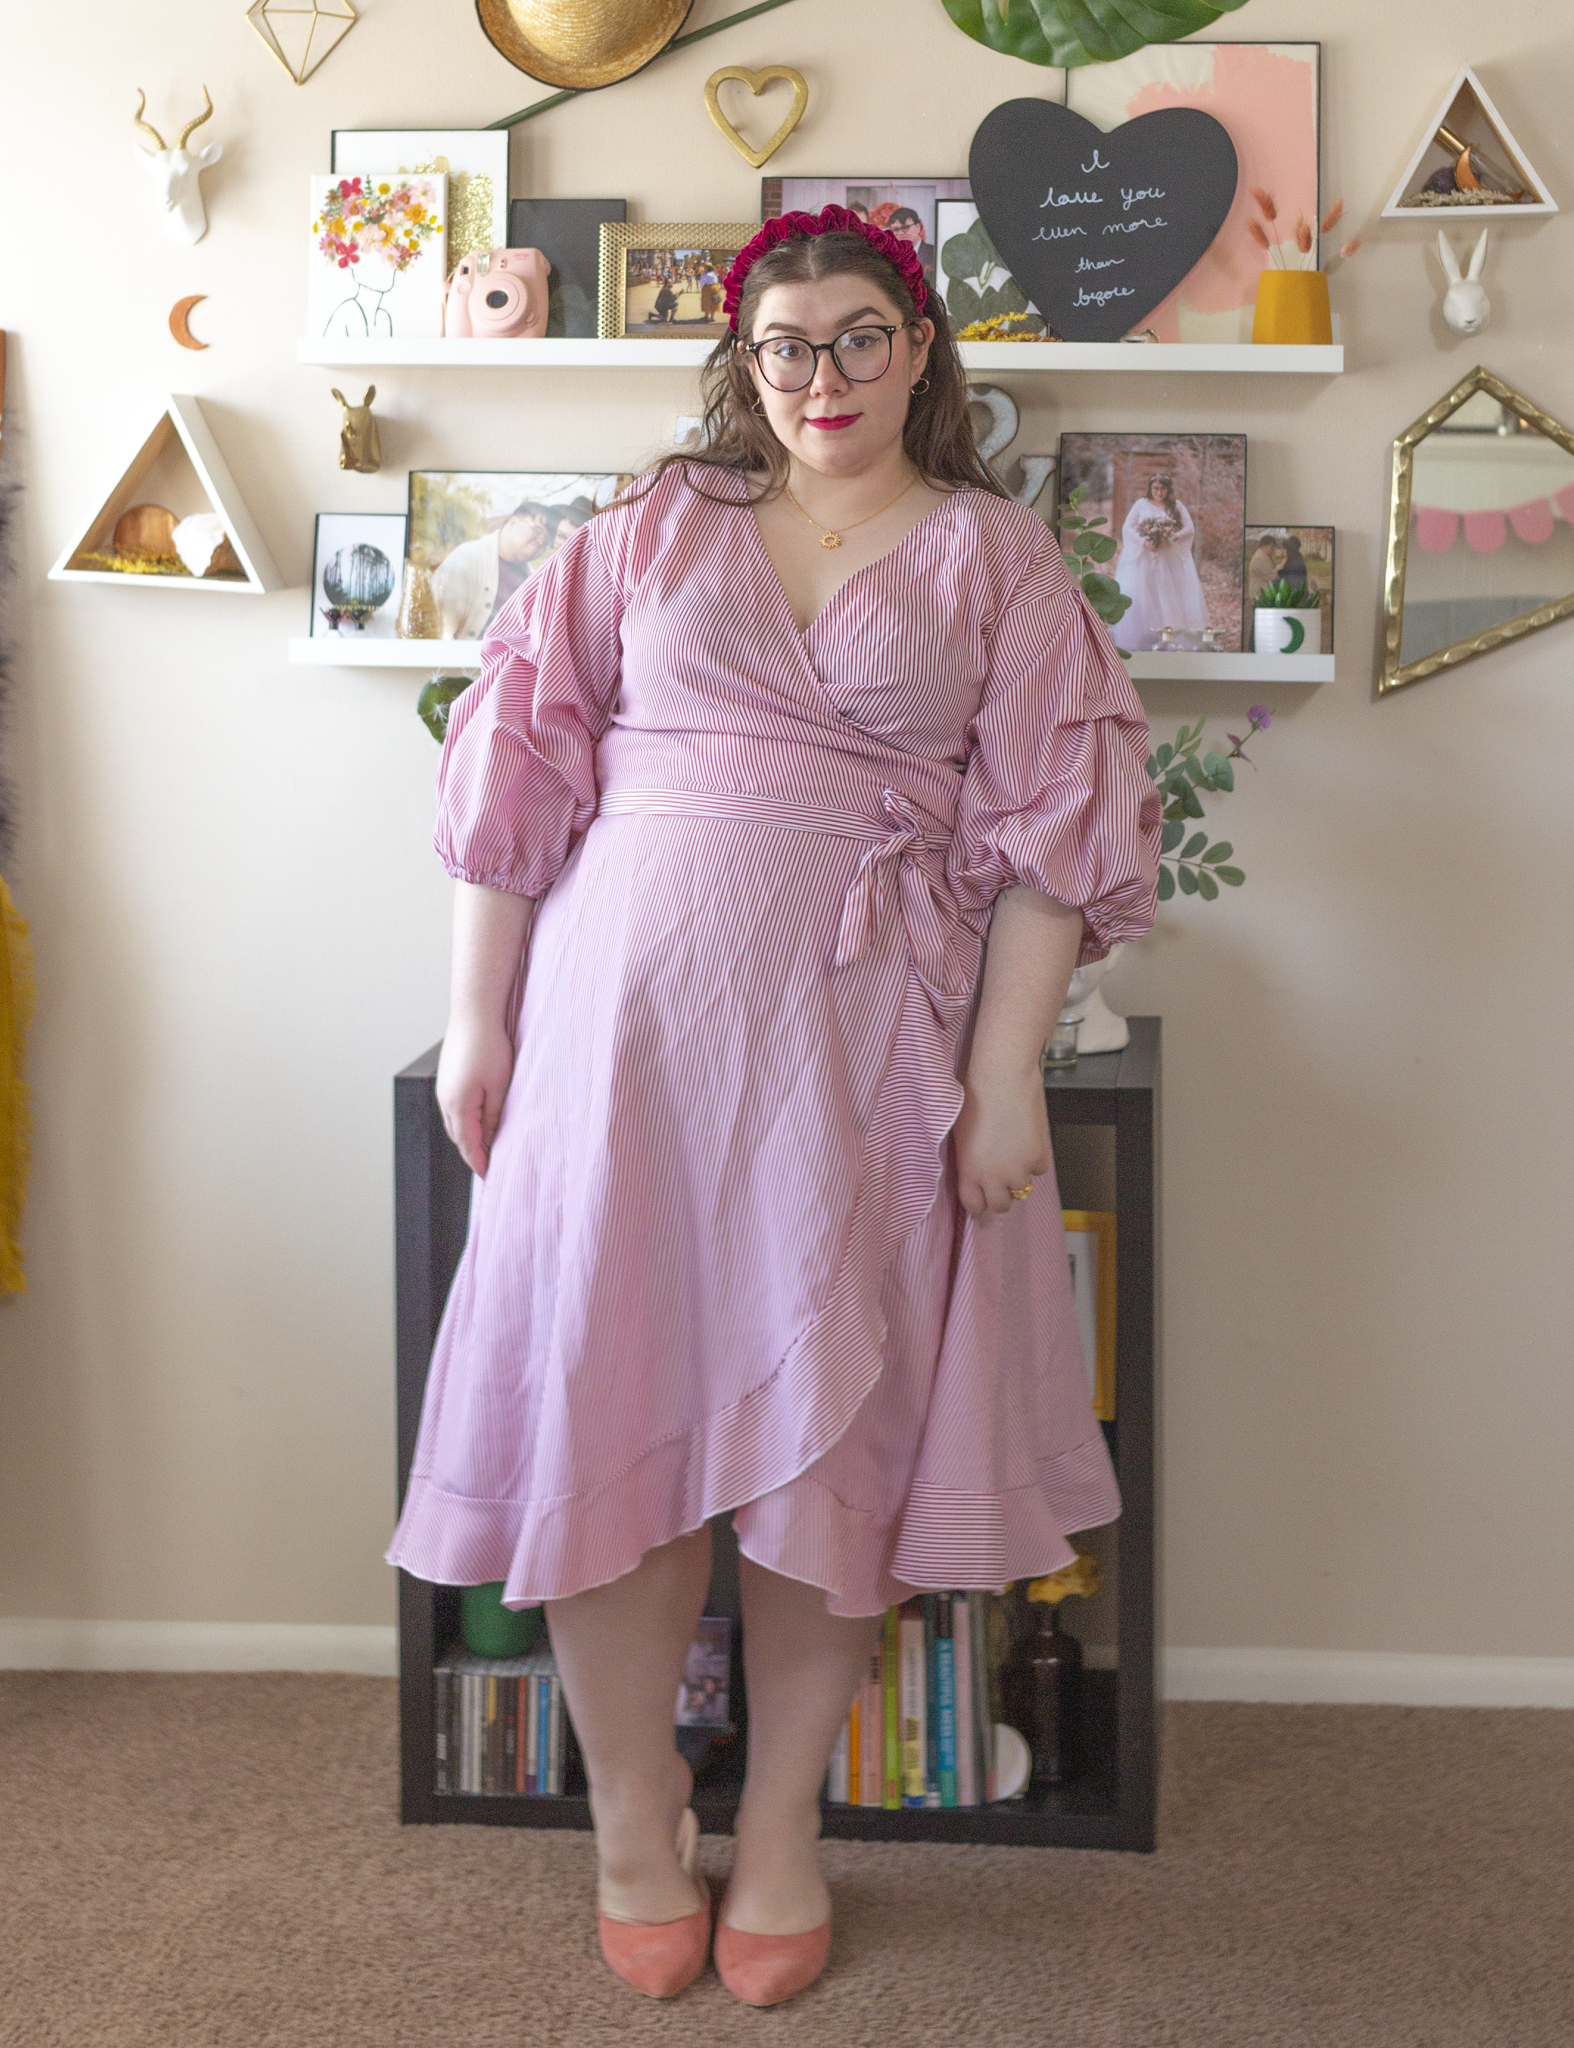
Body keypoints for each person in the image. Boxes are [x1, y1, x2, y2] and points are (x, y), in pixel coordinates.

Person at [391, 203, 1159, 2007]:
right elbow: (520, 750)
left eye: (859, 336)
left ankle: (791, 1824)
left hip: (862, 1050)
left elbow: (1056, 845)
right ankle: (637, 1819)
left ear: (920, 348)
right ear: (745, 364)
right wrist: (473, 1019)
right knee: (610, 1415)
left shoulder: (995, 558)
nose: (822, 377)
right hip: (619, 1045)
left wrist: (1000, 1085)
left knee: (829, 1441)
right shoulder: (653, 527)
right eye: (785, 345)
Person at [1110, 471, 1209, 650]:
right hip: (1144, 559)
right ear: (1150, 488)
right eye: (1156, 488)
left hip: (1168, 559)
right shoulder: (1141, 504)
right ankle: (1142, 637)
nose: (1159, 492)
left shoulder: (1176, 506)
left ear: (1168, 489)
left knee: (1168, 596)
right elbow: (1128, 527)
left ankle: (1170, 638)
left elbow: (1189, 529)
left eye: (1163, 489)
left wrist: (1170, 539)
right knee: (1144, 594)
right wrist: (1143, 542)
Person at [431, 502, 553, 639]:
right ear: (512, 523)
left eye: (547, 540)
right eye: (538, 531)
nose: (541, 542)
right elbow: (440, 629)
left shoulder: (536, 580)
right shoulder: (467, 558)